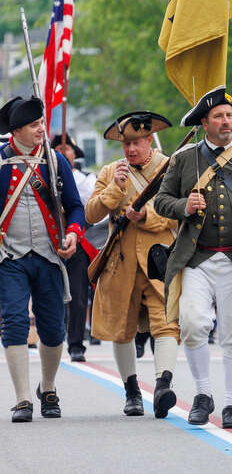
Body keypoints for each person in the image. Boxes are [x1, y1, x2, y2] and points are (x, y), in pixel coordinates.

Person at [154, 86, 232, 429]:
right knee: (193, 324)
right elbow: (162, 201)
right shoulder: (184, 159)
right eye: (219, 117)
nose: (227, 121)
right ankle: (202, 394)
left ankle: (230, 404)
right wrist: (185, 206)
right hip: (196, 259)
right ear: (204, 123)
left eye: (229, 116)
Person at [85, 112, 180, 418]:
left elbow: (180, 212)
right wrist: (115, 188)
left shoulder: (169, 168)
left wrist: (147, 217)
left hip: (159, 260)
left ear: (149, 139)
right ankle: (131, 391)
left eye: (136, 142)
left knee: (167, 322)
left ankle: (163, 384)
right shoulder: (111, 171)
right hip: (120, 263)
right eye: (126, 143)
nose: (130, 149)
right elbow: (91, 214)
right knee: (121, 329)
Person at [0, 96, 84, 422]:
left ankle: (47, 388)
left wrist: (74, 232)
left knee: (52, 329)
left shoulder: (55, 161)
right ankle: (22, 399)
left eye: (41, 123)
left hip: (50, 256)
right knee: (15, 322)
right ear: (17, 129)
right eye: (35, 125)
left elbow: (75, 206)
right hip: (11, 257)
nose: (41, 129)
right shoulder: (1, 162)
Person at [53, 132, 98, 362]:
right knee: (49, 294)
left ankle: (76, 344)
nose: (63, 152)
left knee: (79, 296)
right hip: (47, 241)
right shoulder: (42, 173)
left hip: (77, 241)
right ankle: (49, 337)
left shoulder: (87, 179)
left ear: (74, 152)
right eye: (57, 148)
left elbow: (90, 207)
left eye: (67, 148)